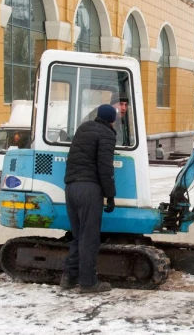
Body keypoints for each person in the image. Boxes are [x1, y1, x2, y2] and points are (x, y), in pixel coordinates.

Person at [61, 104, 117, 294]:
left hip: (70, 187)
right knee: (90, 237)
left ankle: (69, 277)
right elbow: (105, 167)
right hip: (89, 189)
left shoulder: (83, 128)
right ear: (112, 119)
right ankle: (88, 283)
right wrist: (110, 195)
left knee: (78, 236)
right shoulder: (107, 134)